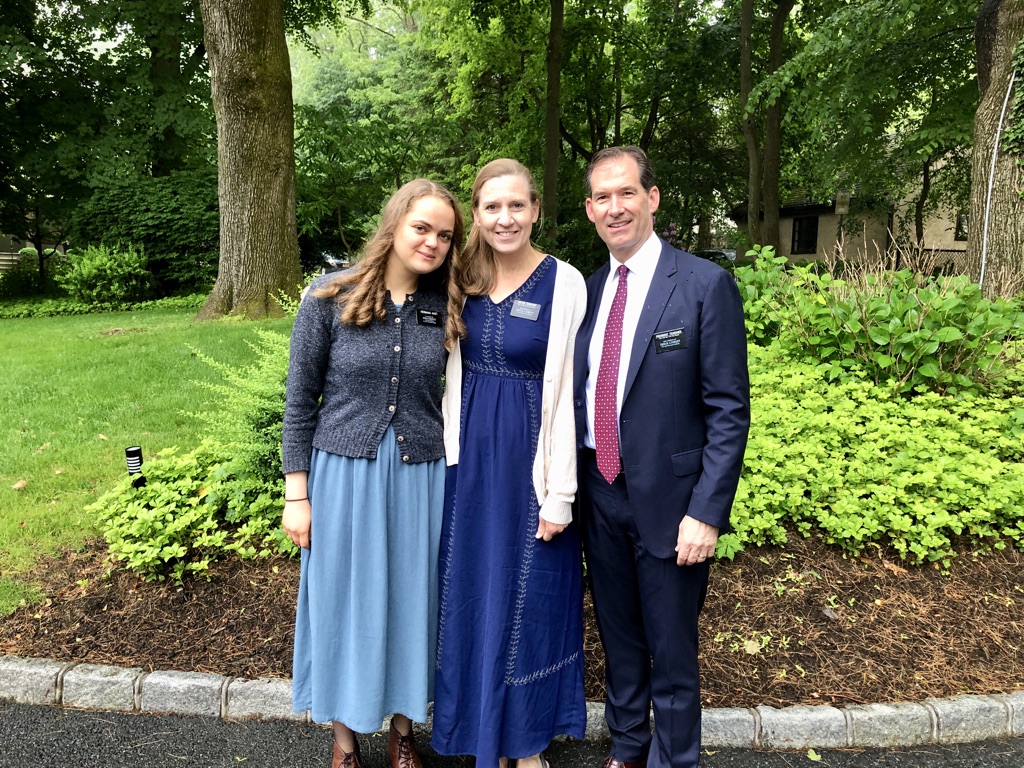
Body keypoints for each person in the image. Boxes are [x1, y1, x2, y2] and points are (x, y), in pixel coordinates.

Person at [572, 146, 750, 768]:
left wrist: (707, 512)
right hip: (600, 492)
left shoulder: (703, 285)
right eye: (603, 197)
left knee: (671, 648)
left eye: (627, 193)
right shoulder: (588, 292)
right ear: (589, 209)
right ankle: (627, 745)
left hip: (675, 505)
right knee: (618, 637)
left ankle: (675, 760)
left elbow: (729, 411)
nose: (615, 207)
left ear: (651, 198)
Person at [281, 179, 465, 768]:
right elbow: (299, 400)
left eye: (444, 235)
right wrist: (296, 494)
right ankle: (344, 741)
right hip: (345, 477)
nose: (432, 242)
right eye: (422, 228)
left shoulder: (447, 306)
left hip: (420, 478)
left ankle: (403, 732)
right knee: (344, 603)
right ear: (394, 225)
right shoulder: (329, 297)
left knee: (413, 601)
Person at [431, 159, 587, 768]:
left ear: (536, 209)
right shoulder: (458, 276)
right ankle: (479, 734)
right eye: (492, 207)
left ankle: (523, 742)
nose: (505, 218)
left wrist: (560, 493)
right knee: (471, 595)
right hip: (466, 466)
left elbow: (568, 394)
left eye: (517, 205)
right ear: (476, 213)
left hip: (531, 464)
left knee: (531, 598)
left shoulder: (564, 283)